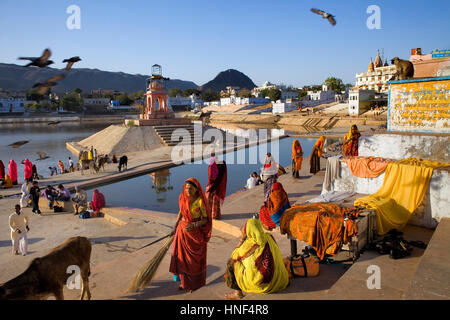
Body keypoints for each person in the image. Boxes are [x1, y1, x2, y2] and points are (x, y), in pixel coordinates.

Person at [224, 218, 289, 300]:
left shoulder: (249, 245)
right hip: (277, 280)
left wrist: (243, 238)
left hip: (260, 283)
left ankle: (238, 293)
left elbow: (234, 255)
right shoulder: (269, 237)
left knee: (231, 263)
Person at [170, 178, 212, 293]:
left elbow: (205, 219)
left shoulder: (200, 202)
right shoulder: (183, 197)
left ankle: (194, 285)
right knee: (181, 259)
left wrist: (194, 225)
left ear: (196, 189)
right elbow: (180, 212)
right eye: (186, 188)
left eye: (191, 188)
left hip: (194, 236)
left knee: (192, 262)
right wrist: (175, 227)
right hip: (181, 233)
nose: (188, 190)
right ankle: (184, 284)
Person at [206, 155, 227, 220]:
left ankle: (211, 215)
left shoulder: (218, 166)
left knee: (211, 201)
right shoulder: (221, 165)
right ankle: (215, 215)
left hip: (213, 186)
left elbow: (212, 177)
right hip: (215, 186)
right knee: (214, 201)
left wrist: (211, 187)